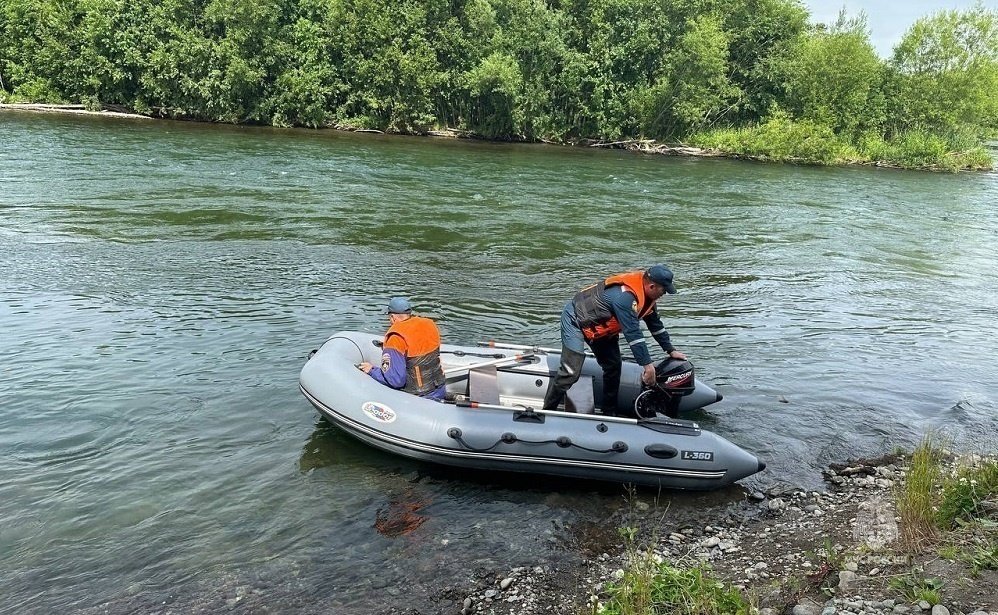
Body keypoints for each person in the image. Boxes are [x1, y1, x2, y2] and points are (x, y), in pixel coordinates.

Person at [541, 265, 687, 415]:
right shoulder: (625, 298)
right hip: (575, 320)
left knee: (613, 366)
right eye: (664, 290)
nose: (664, 294)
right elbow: (633, 335)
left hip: (599, 328)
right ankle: (547, 411)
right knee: (570, 371)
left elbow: (656, 326)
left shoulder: (647, 299)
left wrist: (670, 349)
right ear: (652, 286)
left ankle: (609, 411)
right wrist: (647, 366)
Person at [359, 297, 447, 401]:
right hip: (440, 389)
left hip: (420, 398)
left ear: (392, 317)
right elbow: (418, 345)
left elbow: (396, 381)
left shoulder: (396, 338)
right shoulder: (429, 324)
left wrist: (372, 370)